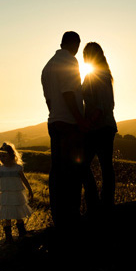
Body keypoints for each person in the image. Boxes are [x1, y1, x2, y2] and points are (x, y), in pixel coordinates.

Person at [41, 31, 89, 229]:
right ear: (74, 44)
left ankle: (58, 216)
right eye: (77, 45)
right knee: (73, 170)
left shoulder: (47, 66)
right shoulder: (70, 61)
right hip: (69, 123)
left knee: (57, 170)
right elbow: (69, 93)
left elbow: (49, 99)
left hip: (54, 122)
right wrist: (79, 120)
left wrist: (56, 116)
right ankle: (72, 215)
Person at [81, 42, 118, 216]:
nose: (84, 57)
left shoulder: (99, 75)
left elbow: (103, 105)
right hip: (103, 127)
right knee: (104, 167)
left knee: (85, 165)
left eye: (86, 53)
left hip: (99, 127)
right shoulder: (99, 74)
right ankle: (101, 204)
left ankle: (100, 205)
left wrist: (88, 122)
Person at [0, 142, 33, 243]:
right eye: (0, 156)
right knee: (7, 215)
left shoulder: (17, 168)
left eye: (4, 156)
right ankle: (8, 236)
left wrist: (30, 190)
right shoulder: (0, 168)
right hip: (6, 194)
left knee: (18, 213)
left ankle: (22, 232)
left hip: (17, 193)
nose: (2, 158)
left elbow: (24, 179)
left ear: (12, 156)